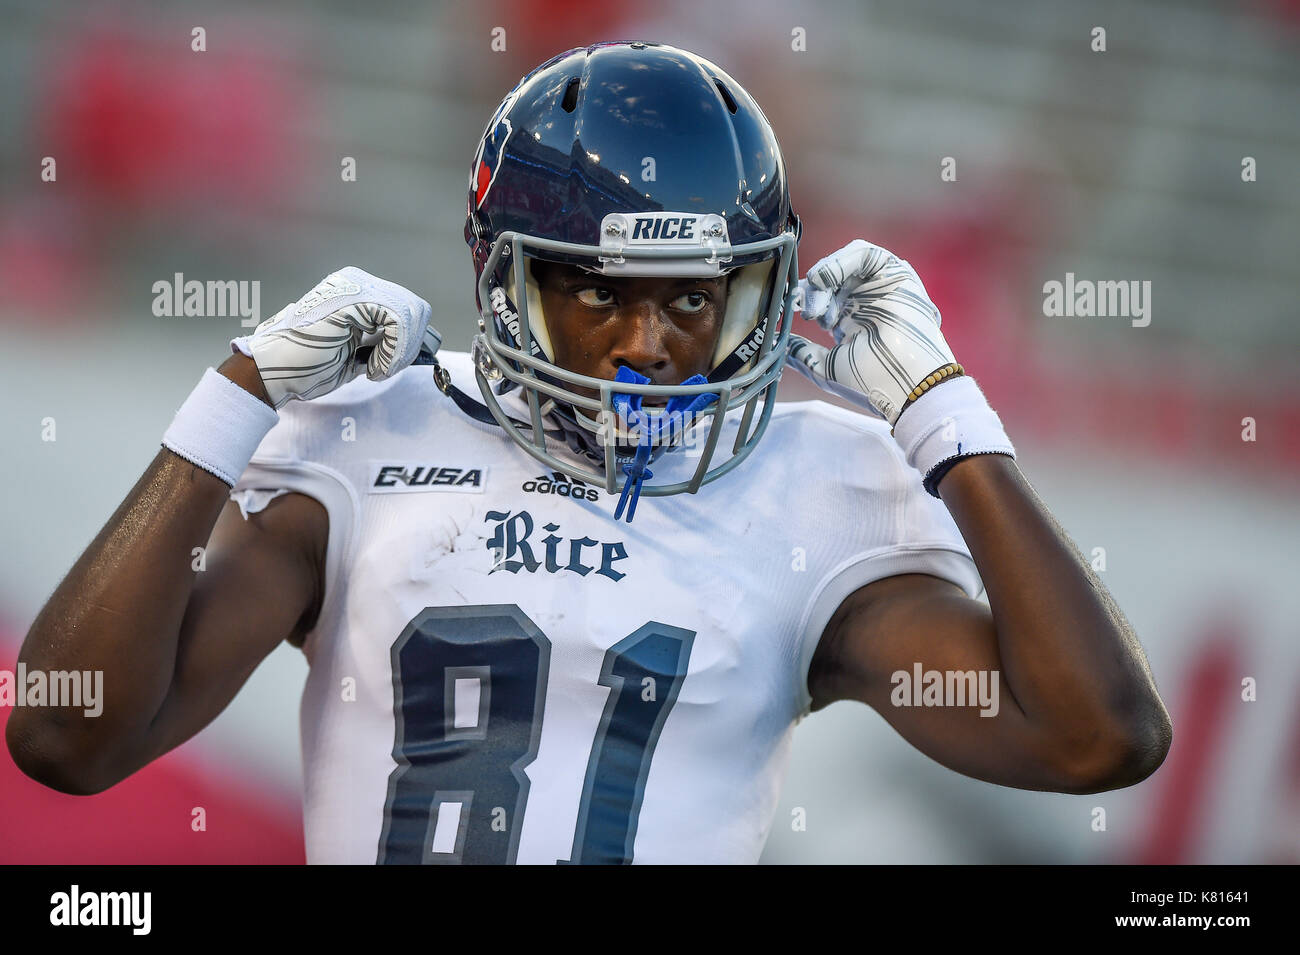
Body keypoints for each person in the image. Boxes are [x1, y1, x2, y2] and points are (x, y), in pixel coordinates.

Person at [7, 42, 1171, 864]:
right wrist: (239, 392)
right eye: (602, 295)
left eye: (694, 299)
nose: (649, 344)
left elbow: (1099, 736)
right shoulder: (370, 438)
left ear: (757, 290)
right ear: (506, 285)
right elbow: (68, 732)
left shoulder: (814, 486)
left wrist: (942, 415)